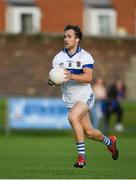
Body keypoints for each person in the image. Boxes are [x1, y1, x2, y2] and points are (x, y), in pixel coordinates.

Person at [48, 25, 119, 168]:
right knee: (90, 133)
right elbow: (54, 79)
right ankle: (110, 142)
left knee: (73, 117)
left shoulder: (85, 56)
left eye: (69, 36)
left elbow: (88, 77)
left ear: (77, 39)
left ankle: (82, 158)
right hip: (70, 101)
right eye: (65, 36)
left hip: (85, 96)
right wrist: (52, 81)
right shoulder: (58, 58)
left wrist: (71, 75)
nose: (66, 39)